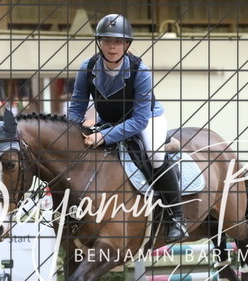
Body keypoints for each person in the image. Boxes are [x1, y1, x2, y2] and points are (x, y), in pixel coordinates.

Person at [67, 14, 188, 242]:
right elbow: (77, 107)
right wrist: (71, 132)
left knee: (154, 153)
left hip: (147, 119)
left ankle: (177, 218)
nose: (112, 46)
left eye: (118, 41)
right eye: (107, 41)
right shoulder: (88, 67)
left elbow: (139, 120)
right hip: (110, 120)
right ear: (100, 43)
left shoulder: (140, 70)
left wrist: (104, 136)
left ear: (127, 44)